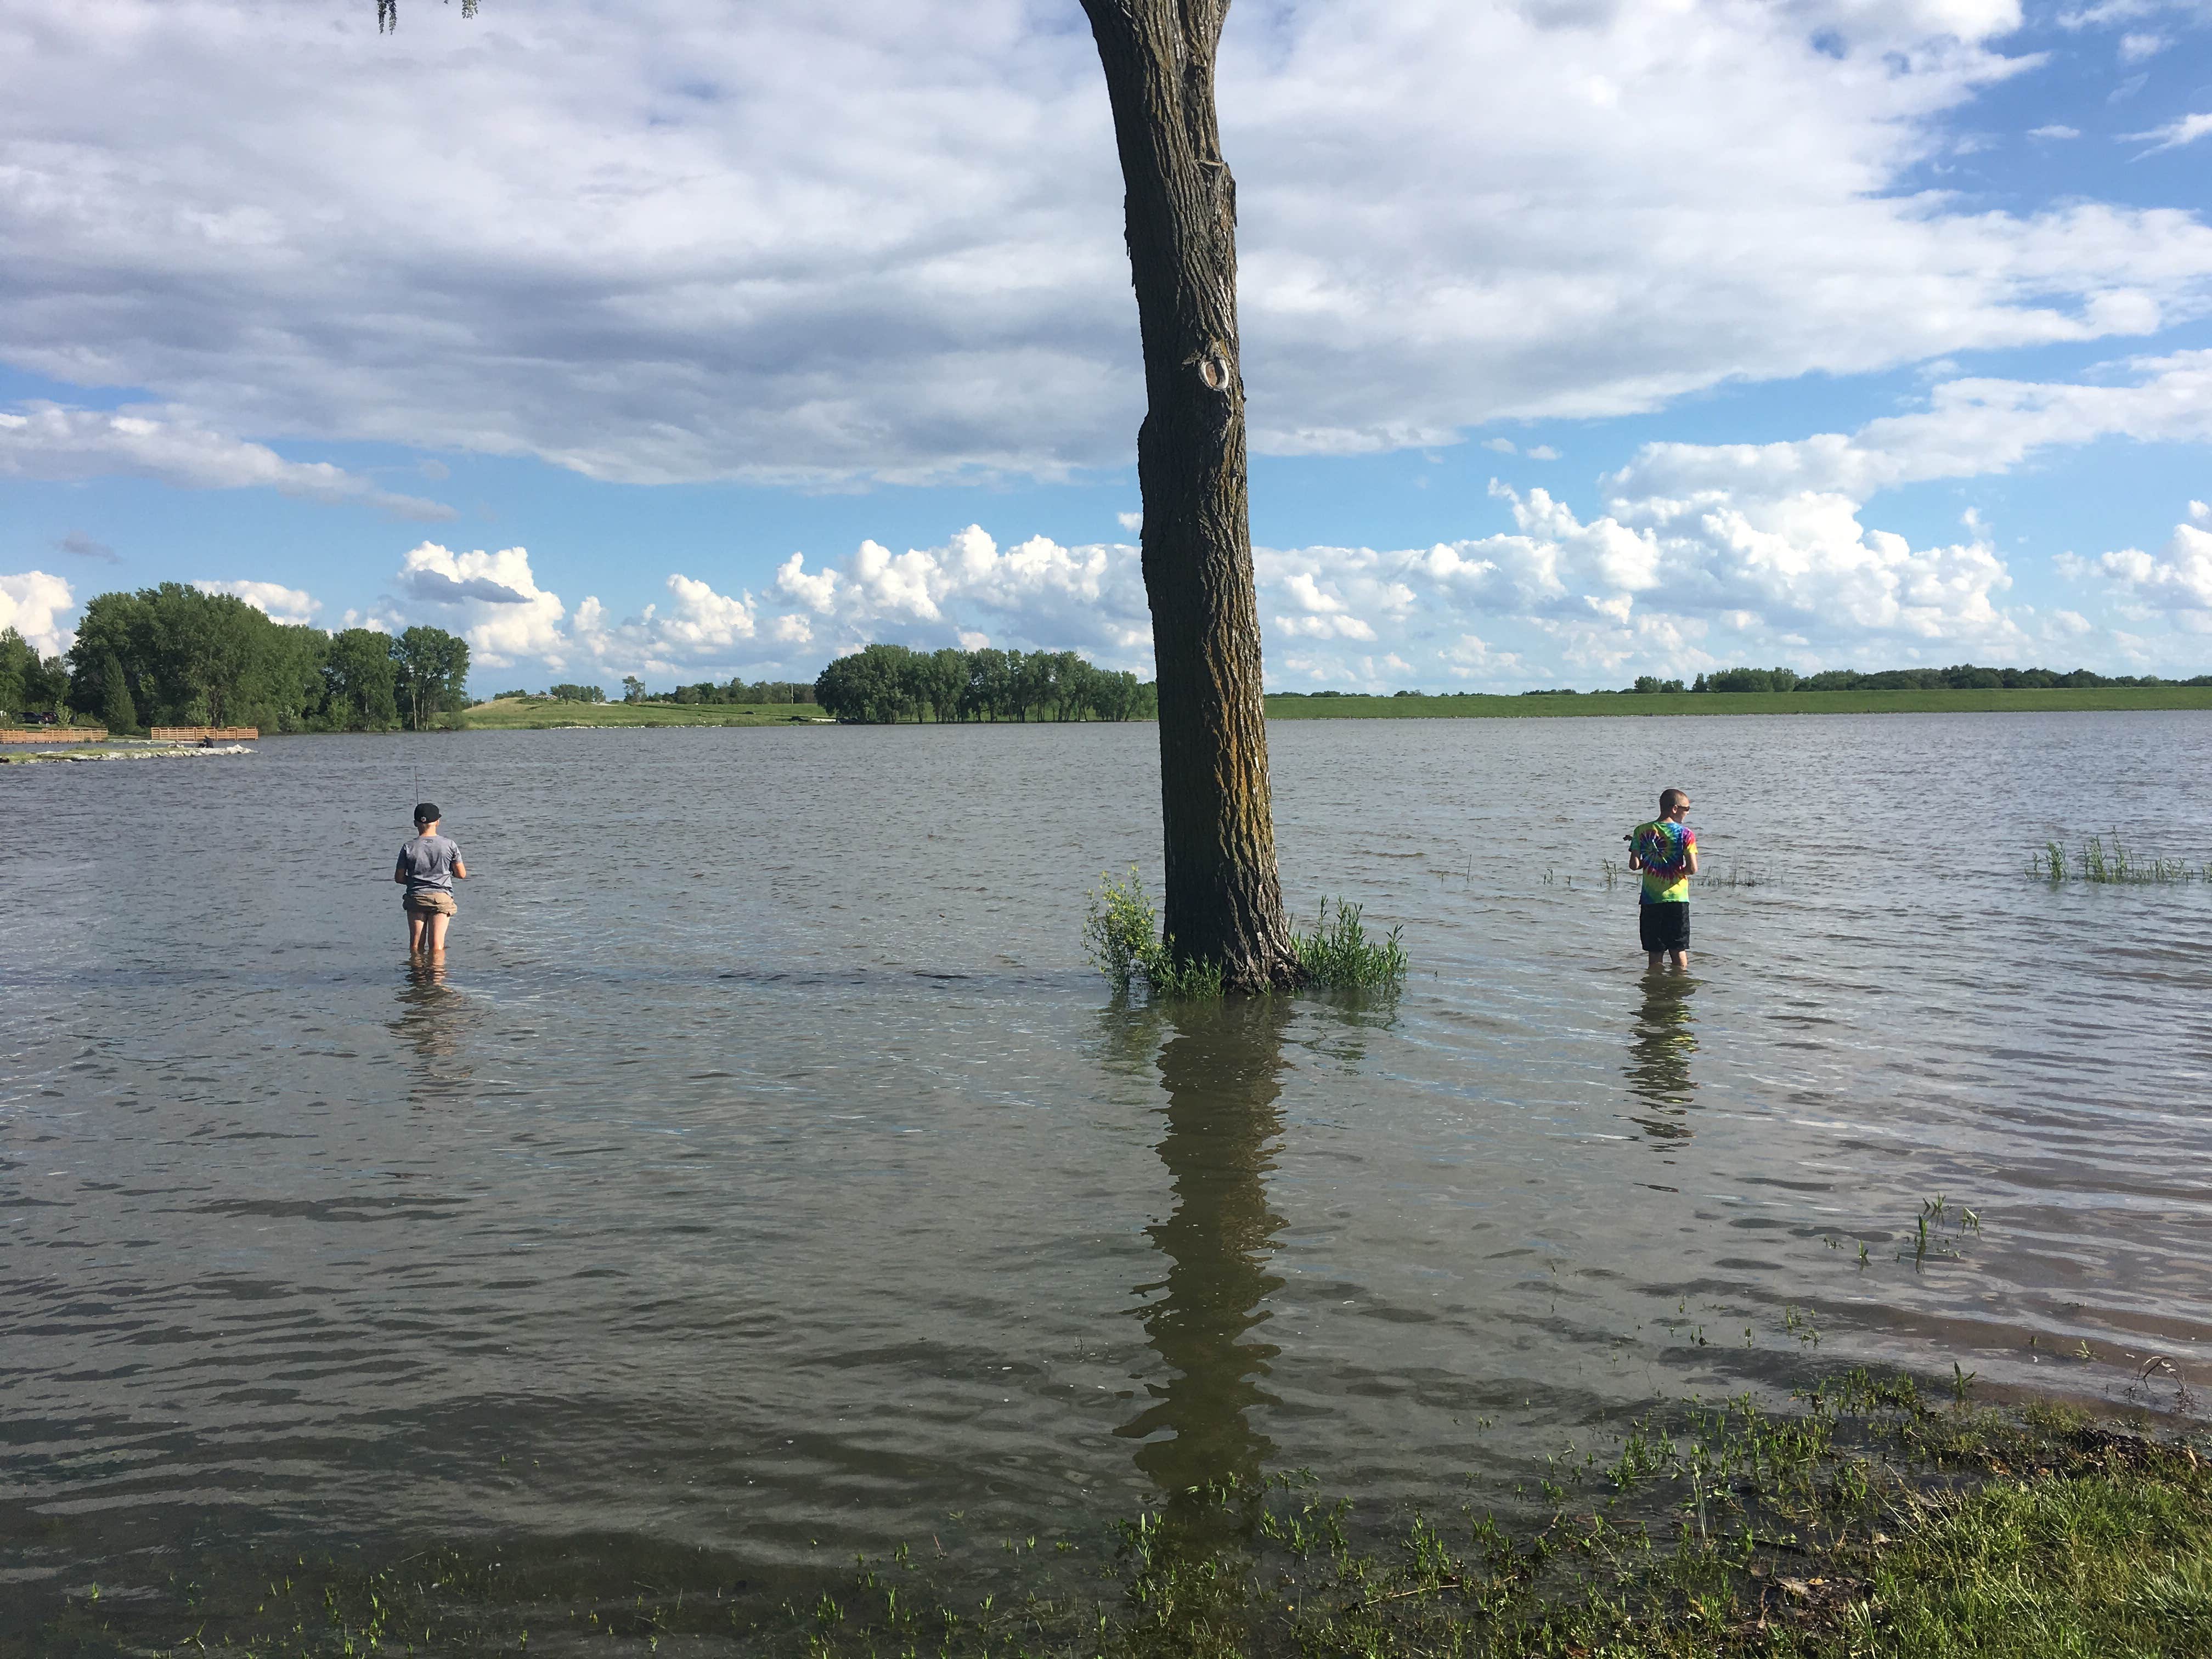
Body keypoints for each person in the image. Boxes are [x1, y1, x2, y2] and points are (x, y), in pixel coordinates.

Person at [1627, 787, 1697, 972]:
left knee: (1655, 950)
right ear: (1675, 808)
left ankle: (1654, 991)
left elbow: (1634, 865)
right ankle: (1679, 986)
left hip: (1652, 900)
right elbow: (1693, 868)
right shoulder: (1686, 834)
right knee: (1678, 948)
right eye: (1687, 809)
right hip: (1678, 899)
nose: (1687, 813)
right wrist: (1679, 870)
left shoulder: (1641, 831)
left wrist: (1648, 859)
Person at [394, 802, 467, 956]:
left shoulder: (408, 847)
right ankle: (437, 977)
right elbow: (461, 874)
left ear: (416, 823)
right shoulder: (450, 845)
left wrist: (417, 880)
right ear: (438, 822)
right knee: (437, 945)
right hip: (441, 898)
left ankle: (417, 976)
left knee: (416, 944)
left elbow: (399, 878)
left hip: (416, 897)